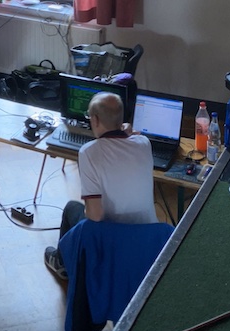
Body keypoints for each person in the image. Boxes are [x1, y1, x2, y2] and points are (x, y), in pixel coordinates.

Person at [42, 90, 156, 280]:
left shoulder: (89, 152)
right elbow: (131, 137)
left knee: (71, 208)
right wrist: (126, 130)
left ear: (95, 120)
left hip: (113, 237)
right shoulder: (144, 143)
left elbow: (95, 216)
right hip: (147, 235)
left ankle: (62, 264)